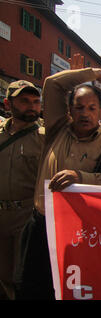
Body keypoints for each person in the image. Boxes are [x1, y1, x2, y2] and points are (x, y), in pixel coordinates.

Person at [15, 65, 101, 300]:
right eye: (78, 108)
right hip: (42, 225)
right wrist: (93, 73)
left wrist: (80, 178)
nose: (84, 113)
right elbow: (53, 84)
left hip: (81, 234)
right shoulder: (57, 130)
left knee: (73, 291)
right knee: (32, 288)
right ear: (69, 111)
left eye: (91, 108)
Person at [0, 80, 44, 300]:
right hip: (2, 216)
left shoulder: (46, 137)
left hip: (27, 218)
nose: (32, 106)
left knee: (24, 278)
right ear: (8, 104)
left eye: (36, 102)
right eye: (25, 101)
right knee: (4, 276)